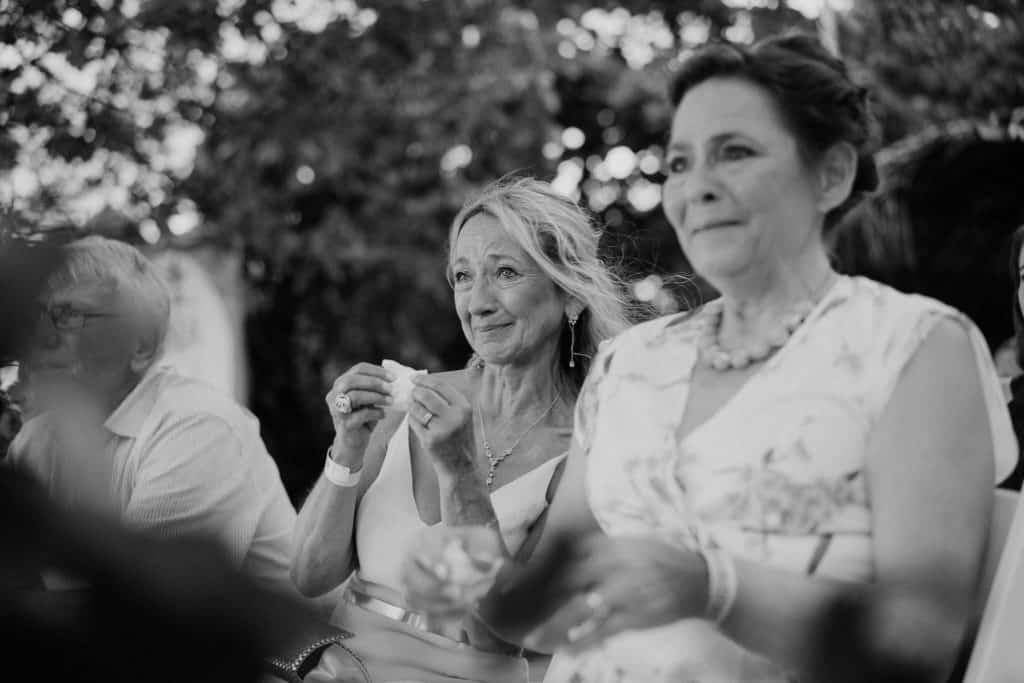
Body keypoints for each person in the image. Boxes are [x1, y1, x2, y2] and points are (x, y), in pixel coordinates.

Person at [401, 34, 1018, 682]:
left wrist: (712, 587)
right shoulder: (631, 363)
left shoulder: (913, 346)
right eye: (679, 163)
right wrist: (459, 482)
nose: (697, 186)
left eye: (735, 152)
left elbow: (919, 642)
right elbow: (530, 616)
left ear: (831, 174)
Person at [290, 176, 635, 682]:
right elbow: (308, 575)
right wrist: (347, 448)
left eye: (505, 273)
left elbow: (499, 634)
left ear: (570, 295)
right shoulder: (407, 401)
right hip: (341, 669)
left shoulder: (589, 449)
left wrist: (458, 472)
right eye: (463, 276)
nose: (478, 302)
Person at [6, 235, 297, 592]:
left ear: (140, 346)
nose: (42, 337)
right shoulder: (37, 438)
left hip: (293, 631)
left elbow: (145, 603)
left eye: (69, 316)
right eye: (37, 316)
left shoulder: (198, 428)